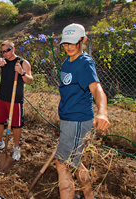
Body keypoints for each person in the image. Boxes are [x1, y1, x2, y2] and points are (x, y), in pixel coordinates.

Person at [56, 23, 110, 199]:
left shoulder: (84, 63)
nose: (69, 47)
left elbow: (97, 90)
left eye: (73, 43)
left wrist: (102, 112)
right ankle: (89, 197)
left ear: (83, 40)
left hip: (78, 120)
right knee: (76, 163)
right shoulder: (67, 62)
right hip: (68, 120)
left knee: (62, 164)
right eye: (66, 43)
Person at [0, 40, 33, 161]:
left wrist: (21, 72)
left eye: (7, 50)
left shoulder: (23, 62)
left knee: (16, 125)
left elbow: (29, 80)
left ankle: (16, 147)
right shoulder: (3, 62)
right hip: (2, 97)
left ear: (13, 49)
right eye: (2, 52)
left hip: (15, 99)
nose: (5, 54)